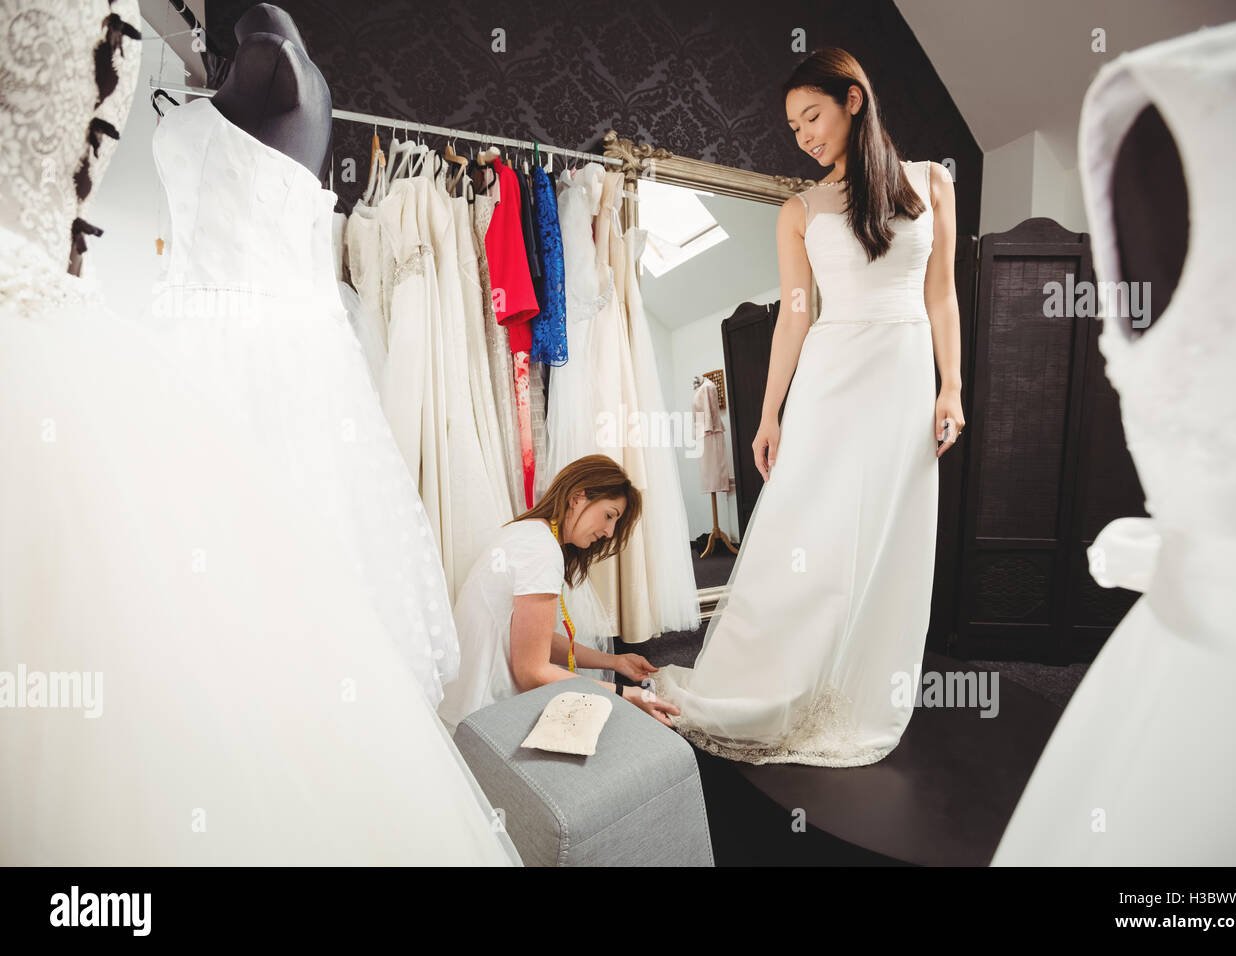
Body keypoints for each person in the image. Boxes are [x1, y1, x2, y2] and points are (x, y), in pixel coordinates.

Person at [0, 0, 519, 865]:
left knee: (269, 603)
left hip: (262, 357)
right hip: (194, 336)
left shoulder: (278, 59)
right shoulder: (235, 70)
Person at [650, 48, 963, 767]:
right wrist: (767, 416)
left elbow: (938, 295)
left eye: (812, 117)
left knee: (891, 532)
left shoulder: (931, 184)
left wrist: (951, 388)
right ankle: (775, 679)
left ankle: (856, 682)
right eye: (793, 128)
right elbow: (795, 315)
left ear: (855, 100)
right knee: (810, 529)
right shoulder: (799, 210)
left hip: (905, 371)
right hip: (830, 376)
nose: (804, 137)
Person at [439, 455, 681, 730]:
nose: (609, 532)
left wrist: (615, 662)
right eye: (609, 515)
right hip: (484, 716)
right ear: (578, 497)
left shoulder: (528, 533)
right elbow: (532, 672)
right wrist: (626, 695)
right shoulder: (541, 550)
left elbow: (533, 640)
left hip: (464, 704)